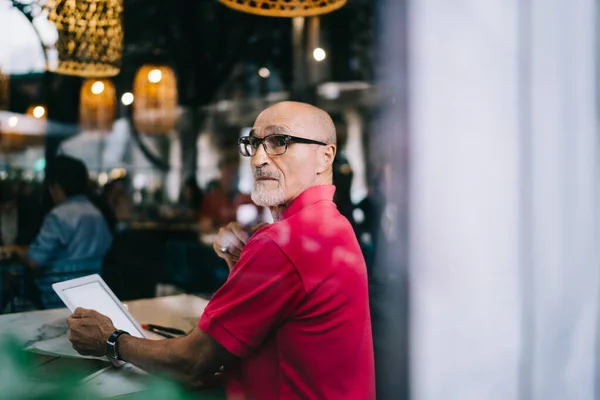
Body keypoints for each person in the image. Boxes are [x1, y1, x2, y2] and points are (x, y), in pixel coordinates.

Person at [67, 102, 375, 399]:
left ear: (325, 156)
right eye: (254, 144)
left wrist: (111, 340)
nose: (258, 159)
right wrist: (242, 265)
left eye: (279, 141)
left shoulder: (284, 241)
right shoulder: (333, 225)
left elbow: (193, 363)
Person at [22, 156, 113, 308]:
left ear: (56, 187)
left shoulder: (58, 215)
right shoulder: (96, 213)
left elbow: (34, 261)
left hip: (57, 296)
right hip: (91, 293)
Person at [198, 154, 258, 234]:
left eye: (234, 172)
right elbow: (204, 225)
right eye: (228, 172)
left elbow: (257, 222)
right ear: (221, 173)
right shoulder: (211, 199)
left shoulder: (247, 199)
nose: (231, 177)